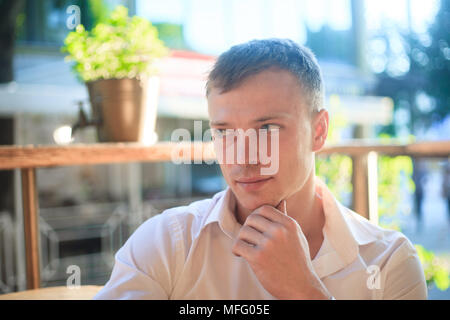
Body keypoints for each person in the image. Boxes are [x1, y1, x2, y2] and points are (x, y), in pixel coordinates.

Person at [94, 39, 427, 300]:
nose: (244, 158)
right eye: (224, 132)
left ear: (319, 131)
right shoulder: (166, 244)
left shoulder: (389, 263)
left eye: (267, 128)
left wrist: (305, 293)